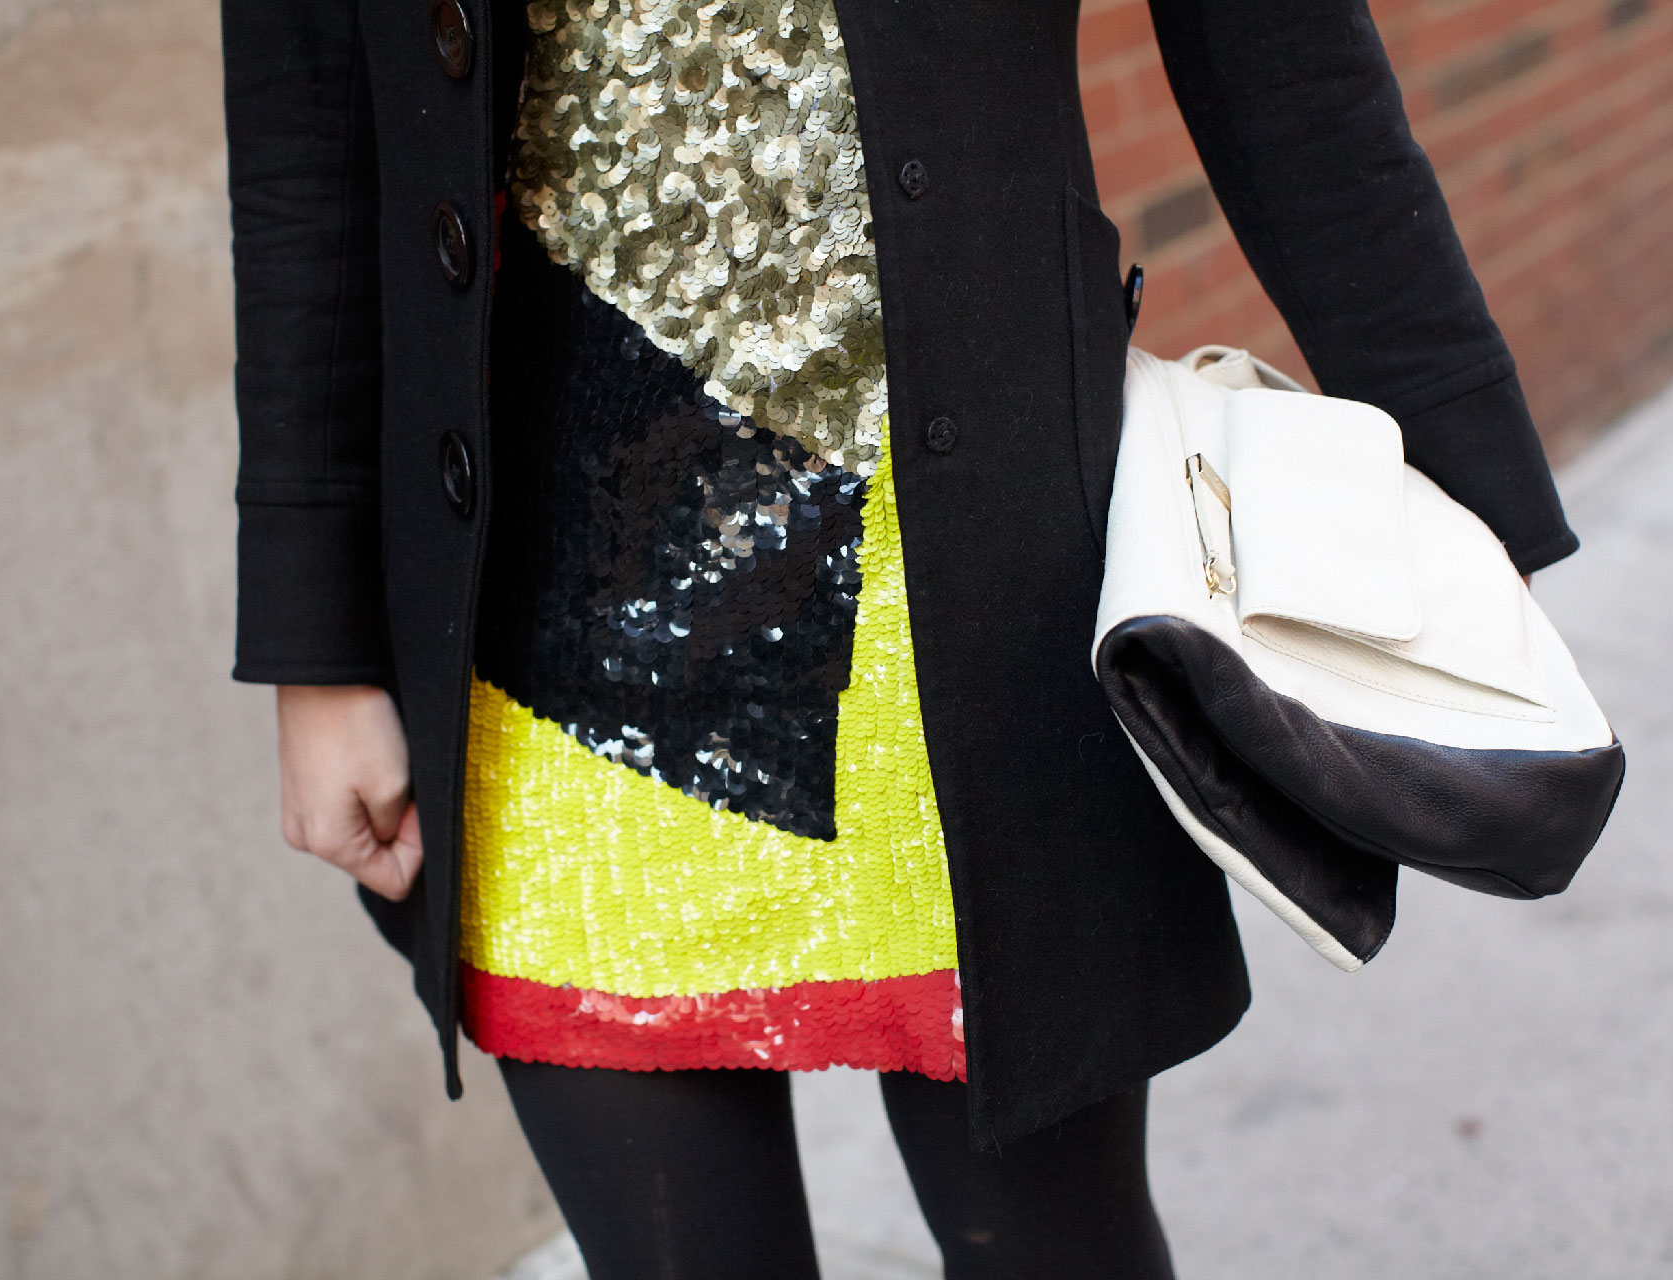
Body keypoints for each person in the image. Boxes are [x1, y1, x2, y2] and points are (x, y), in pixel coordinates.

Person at [223, 0, 1576, 1275]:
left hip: (975, 603)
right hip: (546, 637)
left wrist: (1469, 508)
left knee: (1055, 1248)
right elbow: (307, 133)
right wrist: (315, 647)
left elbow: (1284, 67)